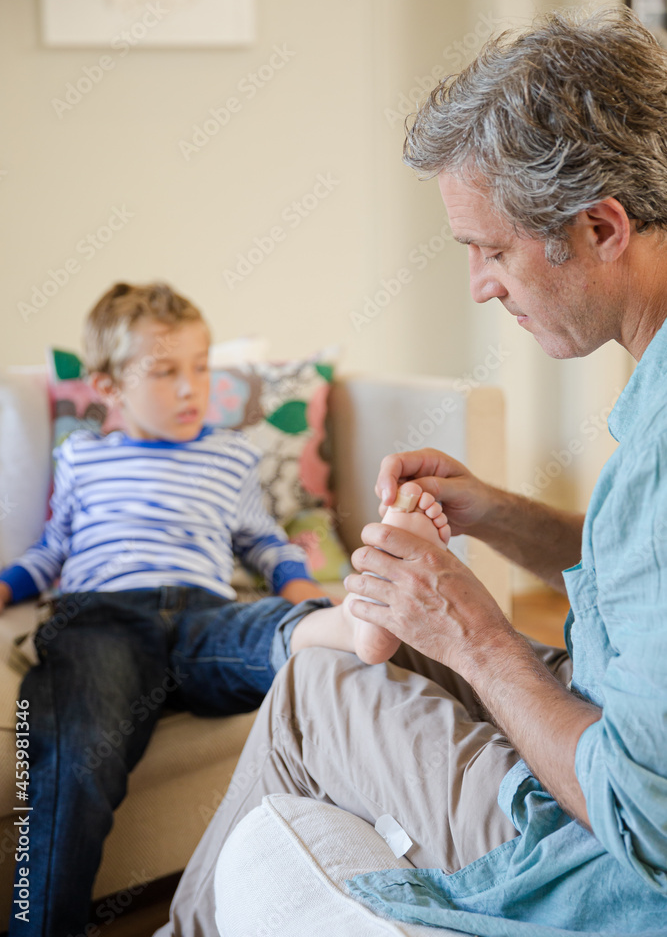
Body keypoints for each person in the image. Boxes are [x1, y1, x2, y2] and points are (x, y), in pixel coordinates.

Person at [158, 5, 667, 936]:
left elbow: (648, 823)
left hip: (603, 859)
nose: (480, 284)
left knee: (316, 686)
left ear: (601, 227)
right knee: (351, 658)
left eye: (490, 249)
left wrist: (471, 629)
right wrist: (495, 513)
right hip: (607, 723)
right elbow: (639, 587)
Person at [1, 281, 449, 936]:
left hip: (200, 618)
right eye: (164, 372)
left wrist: (302, 589)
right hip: (101, 617)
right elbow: (50, 551)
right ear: (106, 388)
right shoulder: (82, 457)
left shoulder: (229, 457)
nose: (191, 388)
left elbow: (264, 543)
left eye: (200, 367)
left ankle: (344, 623)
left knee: (259, 630)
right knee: (76, 754)